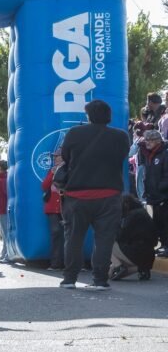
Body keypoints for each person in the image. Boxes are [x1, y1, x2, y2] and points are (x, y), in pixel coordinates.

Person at [58, 99, 130, 291]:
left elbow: (65, 157)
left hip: (77, 195)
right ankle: (99, 280)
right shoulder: (121, 136)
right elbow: (122, 157)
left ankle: (69, 279)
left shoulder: (74, 133)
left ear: (88, 115)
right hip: (109, 195)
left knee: (73, 239)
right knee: (104, 239)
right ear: (109, 115)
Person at [110, 195, 158, 281]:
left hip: (136, 253)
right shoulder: (143, 213)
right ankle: (142, 270)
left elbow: (121, 237)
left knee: (106, 242)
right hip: (149, 257)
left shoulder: (132, 216)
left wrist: (115, 224)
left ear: (126, 205)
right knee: (111, 275)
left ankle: (118, 265)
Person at [139, 129, 168, 257]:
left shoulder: (164, 154)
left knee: (165, 222)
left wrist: (160, 189)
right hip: (153, 195)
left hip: (163, 195)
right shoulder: (147, 154)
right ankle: (164, 245)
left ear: (158, 141)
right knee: (158, 222)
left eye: (150, 140)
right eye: (146, 140)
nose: (147, 142)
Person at [41, 149, 65, 270]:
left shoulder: (69, 168)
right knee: (56, 234)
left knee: (72, 235)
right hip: (52, 208)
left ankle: (74, 264)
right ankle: (56, 264)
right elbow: (44, 186)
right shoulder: (52, 170)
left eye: (57, 156)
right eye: (54, 157)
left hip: (67, 207)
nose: (55, 158)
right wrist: (52, 173)